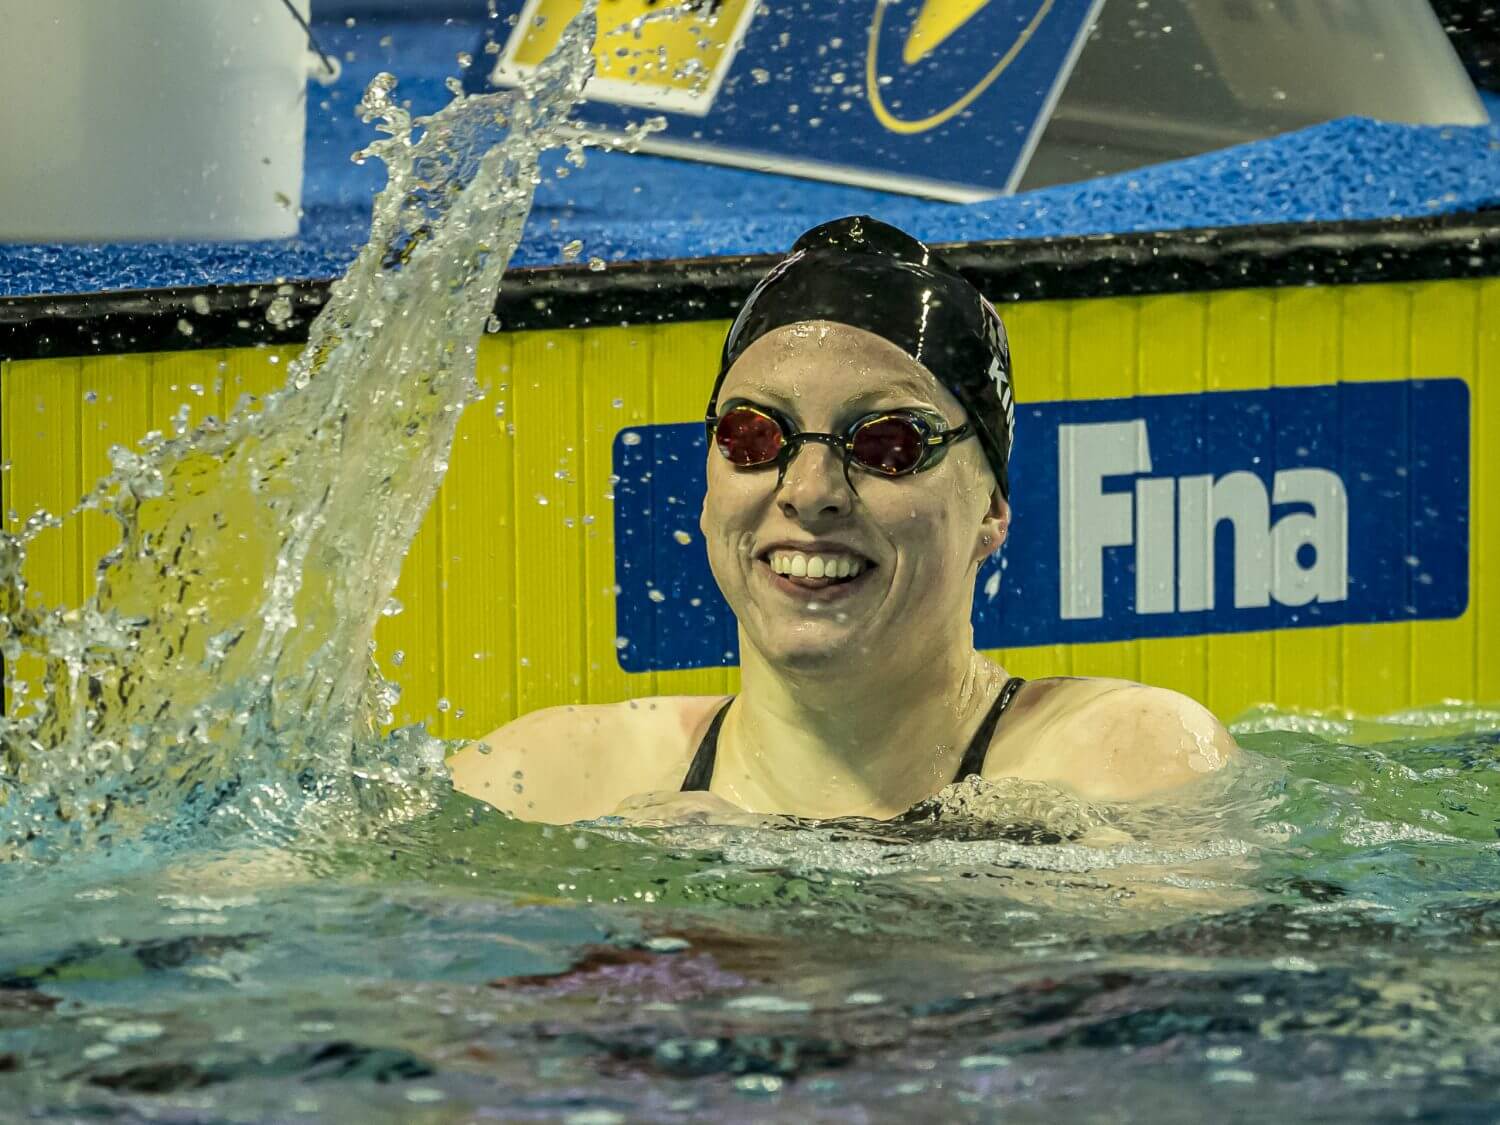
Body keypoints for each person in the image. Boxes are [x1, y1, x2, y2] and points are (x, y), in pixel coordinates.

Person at [447, 216, 1239, 825]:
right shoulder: (544, 778)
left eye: (888, 443)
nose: (810, 488)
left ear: (992, 509)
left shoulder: (1125, 759)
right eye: (754, 436)